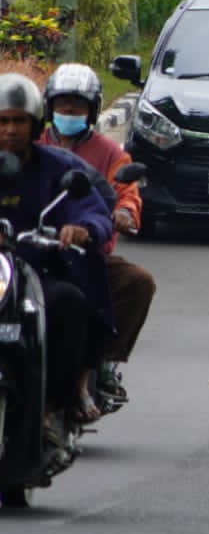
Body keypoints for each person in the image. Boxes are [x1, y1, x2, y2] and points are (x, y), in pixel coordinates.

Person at [0, 73, 115, 462]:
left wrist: (80, 229)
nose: (10, 130)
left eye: (18, 121)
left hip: (39, 275)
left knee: (69, 303)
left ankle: (54, 410)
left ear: (34, 124)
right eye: (2, 121)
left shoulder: (60, 167)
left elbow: (95, 210)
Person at [40, 63, 156, 414]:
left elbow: (126, 193)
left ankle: (100, 364)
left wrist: (123, 214)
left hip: (86, 252)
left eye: (77, 106)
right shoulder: (32, 147)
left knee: (138, 282)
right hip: (35, 251)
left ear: (91, 111)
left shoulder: (111, 154)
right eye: (62, 105)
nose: (69, 113)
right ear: (48, 109)